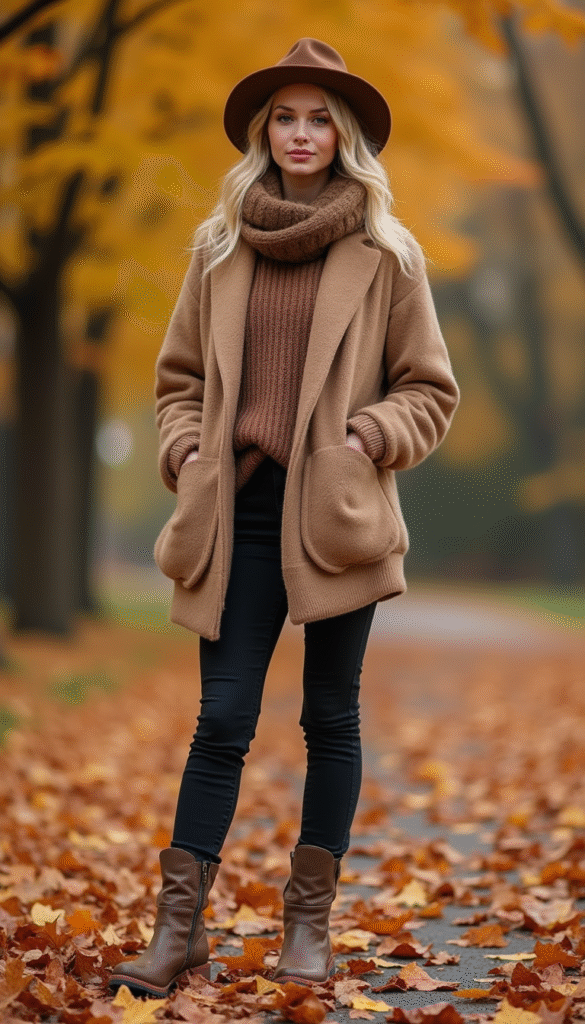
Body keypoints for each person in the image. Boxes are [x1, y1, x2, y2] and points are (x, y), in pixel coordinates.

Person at [108, 37, 460, 1000]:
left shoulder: (388, 255)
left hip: (337, 513)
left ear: (342, 136)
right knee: (220, 720)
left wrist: (369, 433)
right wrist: (183, 448)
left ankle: (307, 928)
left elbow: (429, 389)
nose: (300, 134)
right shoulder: (219, 250)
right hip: (235, 517)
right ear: (265, 131)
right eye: (284, 117)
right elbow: (177, 380)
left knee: (328, 716)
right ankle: (177, 932)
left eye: (317, 119)